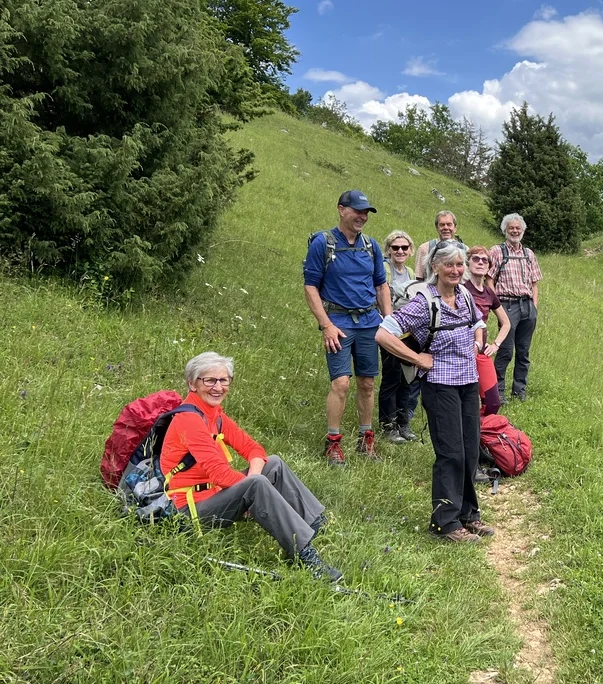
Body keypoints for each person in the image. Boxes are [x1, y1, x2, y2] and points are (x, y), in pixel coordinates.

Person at [160, 352, 342, 581]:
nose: (218, 387)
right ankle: (305, 555)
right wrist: (254, 483)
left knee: (273, 464)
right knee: (255, 484)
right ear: (192, 384)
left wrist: (255, 478)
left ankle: (317, 525)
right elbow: (220, 475)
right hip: (189, 511)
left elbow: (254, 449)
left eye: (224, 380)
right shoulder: (190, 419)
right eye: (209, 380)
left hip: (213, 496)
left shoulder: (213, 414)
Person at [376, 241, 495, 543]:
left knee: (469, 450)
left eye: (459, 265)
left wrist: (478, 343)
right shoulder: (423, 302)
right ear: (435, 268)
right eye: (449, 265)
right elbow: (383, 332)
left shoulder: (465, 295)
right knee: (450, 453)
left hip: (467, 383)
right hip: (439, 384)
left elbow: (479, 323)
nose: (456, 270)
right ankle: (444, 522)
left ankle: (469, 515)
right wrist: (417, 359)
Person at [303, 190, 391, 466]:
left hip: (369, 322)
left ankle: (366, 439)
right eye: (358, 211)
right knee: (341, 382)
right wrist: (325, 325)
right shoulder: (323, 243)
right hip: (338, 324)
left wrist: (388, 321)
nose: (362, 217)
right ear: (342, 210)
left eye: (366, 212)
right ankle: (333, 442)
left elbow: (381, 285)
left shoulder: (371, 246)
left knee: (367, 383)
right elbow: (310, 287)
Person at [488, 213, 542, 402]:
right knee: (505, 351)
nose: (515, 230)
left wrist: (534, 307)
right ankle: (499, 392)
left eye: (518, 228)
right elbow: (489, 280)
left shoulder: (529, 254)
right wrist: (497, 307)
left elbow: (535, 283)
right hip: (507, 305)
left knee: (523, 351)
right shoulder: (497, 251)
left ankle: (519, 392)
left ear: (523, 231)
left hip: (527, 306)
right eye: (511, 227)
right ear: (505, 230)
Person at [378, 230, 422, 443]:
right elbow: (378, 296)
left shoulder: (411, 273)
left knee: (408, 377)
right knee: (392, 376)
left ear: (410, 250)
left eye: (404, 247)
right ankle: (388, 426)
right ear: (388, 249)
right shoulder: (384, 269)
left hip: (409, 332)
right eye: (395, 247)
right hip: (389, 330)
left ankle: (403, 423)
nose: (400, 251)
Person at [464, 245, 511, 415]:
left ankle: (482, 433)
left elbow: (506, 323)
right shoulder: (461, 289)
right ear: (468, 263)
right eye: (476, 259)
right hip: (462, 353)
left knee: (492, 402)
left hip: (482, 353)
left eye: (485, 260)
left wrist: (496, 344)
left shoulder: (489, 293)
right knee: (466, 402)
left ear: (489, 266)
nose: (480, 262)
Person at [414, 210, 463, 280]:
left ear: (455, 228)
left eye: (449, 224)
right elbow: (419, 277)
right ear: (437, 228)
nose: (446, 228)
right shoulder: (425, 249)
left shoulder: (464, 249)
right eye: (442, 225)